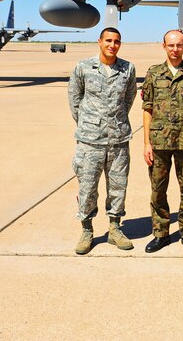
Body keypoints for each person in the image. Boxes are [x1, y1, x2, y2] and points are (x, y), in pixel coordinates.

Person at [68, 27, 137, 255]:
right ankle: (87, 230)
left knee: (118, 187)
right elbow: (75, 99)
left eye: (116, 41)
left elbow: (129, 98)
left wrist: (114, 123)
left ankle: (115, 229)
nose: (112, 45)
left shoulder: (127, 69)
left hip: (118, 140)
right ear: (99, 41)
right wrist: (89, 124)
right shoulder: (84, 68)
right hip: (90, 141)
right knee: (87, 188)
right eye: (108, 40)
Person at [140, 30, 183, 253]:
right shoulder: (153, 74)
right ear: (164, 46)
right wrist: (146, 143)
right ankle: (160, 233)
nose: (175, 49)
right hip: (159, 142)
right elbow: (147, 109)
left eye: (179, 45)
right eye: (171, 45)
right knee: (157, 189)